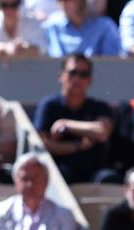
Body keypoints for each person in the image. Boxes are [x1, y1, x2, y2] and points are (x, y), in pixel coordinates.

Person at [34, 53, 114, 185]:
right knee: (58, 175)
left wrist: (65, 124)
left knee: (109, 178)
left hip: (95, 173)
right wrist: (78, 146)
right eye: (72, 73)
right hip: (62, 171)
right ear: (60, 76)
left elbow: (102, 132)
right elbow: (42, 144)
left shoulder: (99, 107)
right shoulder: (49, 105)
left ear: (90, 80)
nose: (77, 79)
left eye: (83, 74)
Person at [43, 0, 121, 57]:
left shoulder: (105, 27)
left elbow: (111, 62)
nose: (63, 1)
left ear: (82, 0)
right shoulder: (53, 25)